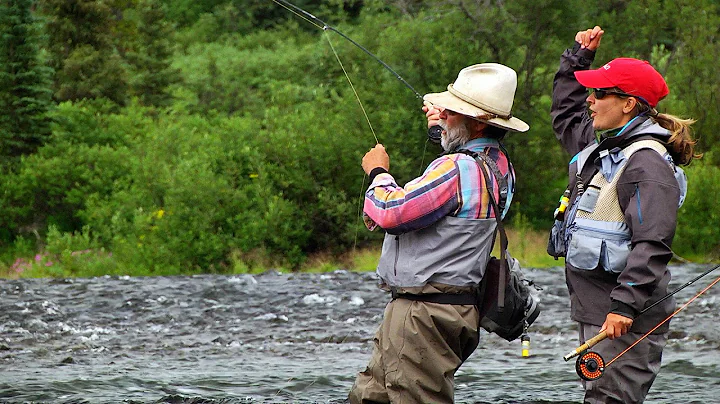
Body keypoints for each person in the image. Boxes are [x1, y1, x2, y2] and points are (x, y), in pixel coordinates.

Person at [348, 63, 529, 403]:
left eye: (453, 111)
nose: (443, 114)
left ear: (475, 122)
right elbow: (458, 168)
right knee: (370, 396)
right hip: (456, 309)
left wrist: (377, 172)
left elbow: (390, 213)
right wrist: (444, 125)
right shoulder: (501, 166)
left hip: (422, 315)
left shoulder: (455, 169)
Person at [549, 26, 701, 403]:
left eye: (600, 93)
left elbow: (653, 244)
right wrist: (578, 58)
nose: (591, 100)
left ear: (629, 103)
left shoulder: (647, 165)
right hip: (597, 310)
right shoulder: (604, 149)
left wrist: (623, 307)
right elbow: (566, 115)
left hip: (622, 317)